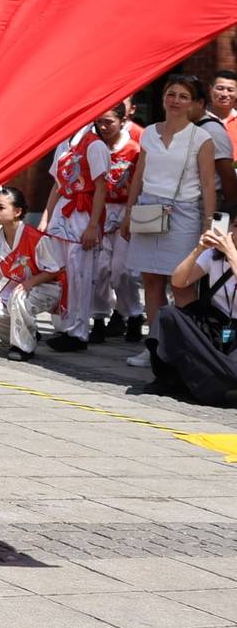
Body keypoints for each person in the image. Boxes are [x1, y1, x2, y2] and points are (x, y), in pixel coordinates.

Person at [121, 74, 217, 367]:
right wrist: (128, 212)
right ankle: (156, 347)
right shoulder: (149, 132)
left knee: (181, 283)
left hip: (184, 213)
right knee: (151, 279)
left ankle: (186, 350)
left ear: (194, 104)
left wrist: (208, 224)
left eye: (183, 96)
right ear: (163, 97)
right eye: (171, 94)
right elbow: (139, 175)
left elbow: (207, 183)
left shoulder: (201, 138)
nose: (175, 100)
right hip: (148, 210)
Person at [150, 212, 237, 404]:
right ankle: (168, 379)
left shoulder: (230, 254)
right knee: (169, 315)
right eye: (235, 226)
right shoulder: (213, 256)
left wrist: (232, 252)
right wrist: (199, 250)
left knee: (233, 375)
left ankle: (214, 382)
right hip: (217, 327)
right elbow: (179, 281)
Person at [0, 186, 65, 360]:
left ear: (17, 211)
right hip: (22, 286)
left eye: (1, 208)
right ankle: (27, 336)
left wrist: (29, 283)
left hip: (49, 286)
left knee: (18, 296)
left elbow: (55, 270)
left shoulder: (35, 238)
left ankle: (24, 348)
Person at [39, 124, 109, 351]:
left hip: (83, 212)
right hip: (63, 211)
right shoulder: (63, 143)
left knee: (80, 274)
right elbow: (57, 186)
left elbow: (100, 188)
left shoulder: (95, 144)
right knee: (61, 272)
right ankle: (63, 324)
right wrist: (46, 216)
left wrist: (92, 225)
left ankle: (79, 331)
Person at [89, 104, 144, 344]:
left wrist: (131, 214)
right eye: (99, 121)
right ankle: (99, 319)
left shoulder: (134, 149)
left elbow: (139, 183)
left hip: (125, 211)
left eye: (109, 122)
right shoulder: (94, 147)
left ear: (122, 121)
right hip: (100, 211)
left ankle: (132, 314)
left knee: (122, 270)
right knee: (99, 269)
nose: (103, 127)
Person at [208, 69, 237, 152]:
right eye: (220, 88)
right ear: (210, 89)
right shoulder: (198, 119)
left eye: (230, 90)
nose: (224, 94)